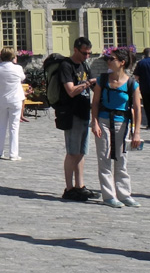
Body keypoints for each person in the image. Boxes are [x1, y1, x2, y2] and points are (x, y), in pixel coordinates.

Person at [90, 48, 142, 208]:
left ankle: (124, 194)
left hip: (122, 123)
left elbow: (137, 108)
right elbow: (95, 102)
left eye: (111, 59)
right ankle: (108, 195)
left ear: (122, 62)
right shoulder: (102, 80)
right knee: (104, 157)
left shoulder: (132, 83)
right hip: (104, 120)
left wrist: (136, 133)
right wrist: (95, 122)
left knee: (121, 159)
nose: (108, 61)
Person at [56, 38, 100, 202]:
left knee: (81, 152)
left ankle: (80, 186)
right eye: (84, 53)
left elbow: (94, 87)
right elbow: (71, 91)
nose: (87, 56)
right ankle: (69, 188)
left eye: (89, 53)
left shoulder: (85, 65)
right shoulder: (66, 66)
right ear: (75, 50)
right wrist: (88, 82)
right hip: (71, 113)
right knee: (72, 152)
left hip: (84, 112)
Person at [0, 48, 25, 161]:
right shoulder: (18, 68)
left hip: (1, 100)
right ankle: (13, 154)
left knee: (1, 126)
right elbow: (22, 78)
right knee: (14, 127)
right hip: (15, 99)